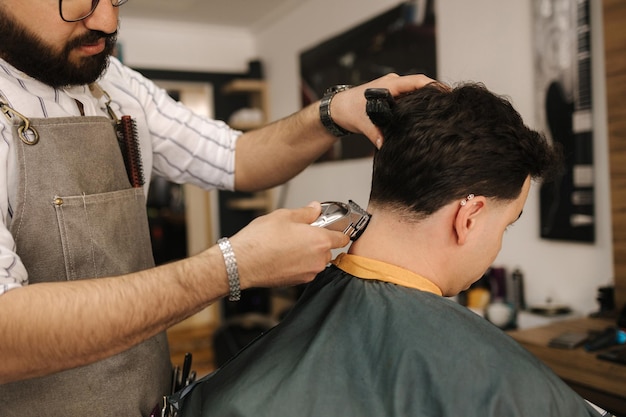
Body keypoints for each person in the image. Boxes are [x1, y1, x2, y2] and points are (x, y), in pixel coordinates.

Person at [0, 0, 434, 415]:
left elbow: (237, 157)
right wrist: (230, 266)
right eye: (77, 0)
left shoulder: (113, 83)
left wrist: (333, 112)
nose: (108, 22)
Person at [167, 82, 608, 417]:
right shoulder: (516, 390)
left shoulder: (254, 366)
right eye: (505, 226)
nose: (497, 244)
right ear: (468, 216)